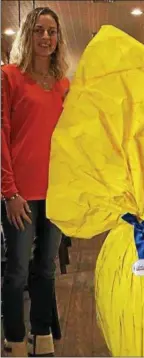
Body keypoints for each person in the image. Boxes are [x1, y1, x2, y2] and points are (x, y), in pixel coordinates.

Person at [1, 7, 69, 357]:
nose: (46, 37)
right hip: (20, 194)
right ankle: (14, 337)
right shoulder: (8, 77)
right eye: (39, 30)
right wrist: (9, 191)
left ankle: (41, 335)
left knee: (45, 268)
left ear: (58, 38)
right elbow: (1, 134)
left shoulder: (63, 84)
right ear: (27, 35)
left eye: (52, 32)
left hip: (55, 192)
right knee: (16, 270)